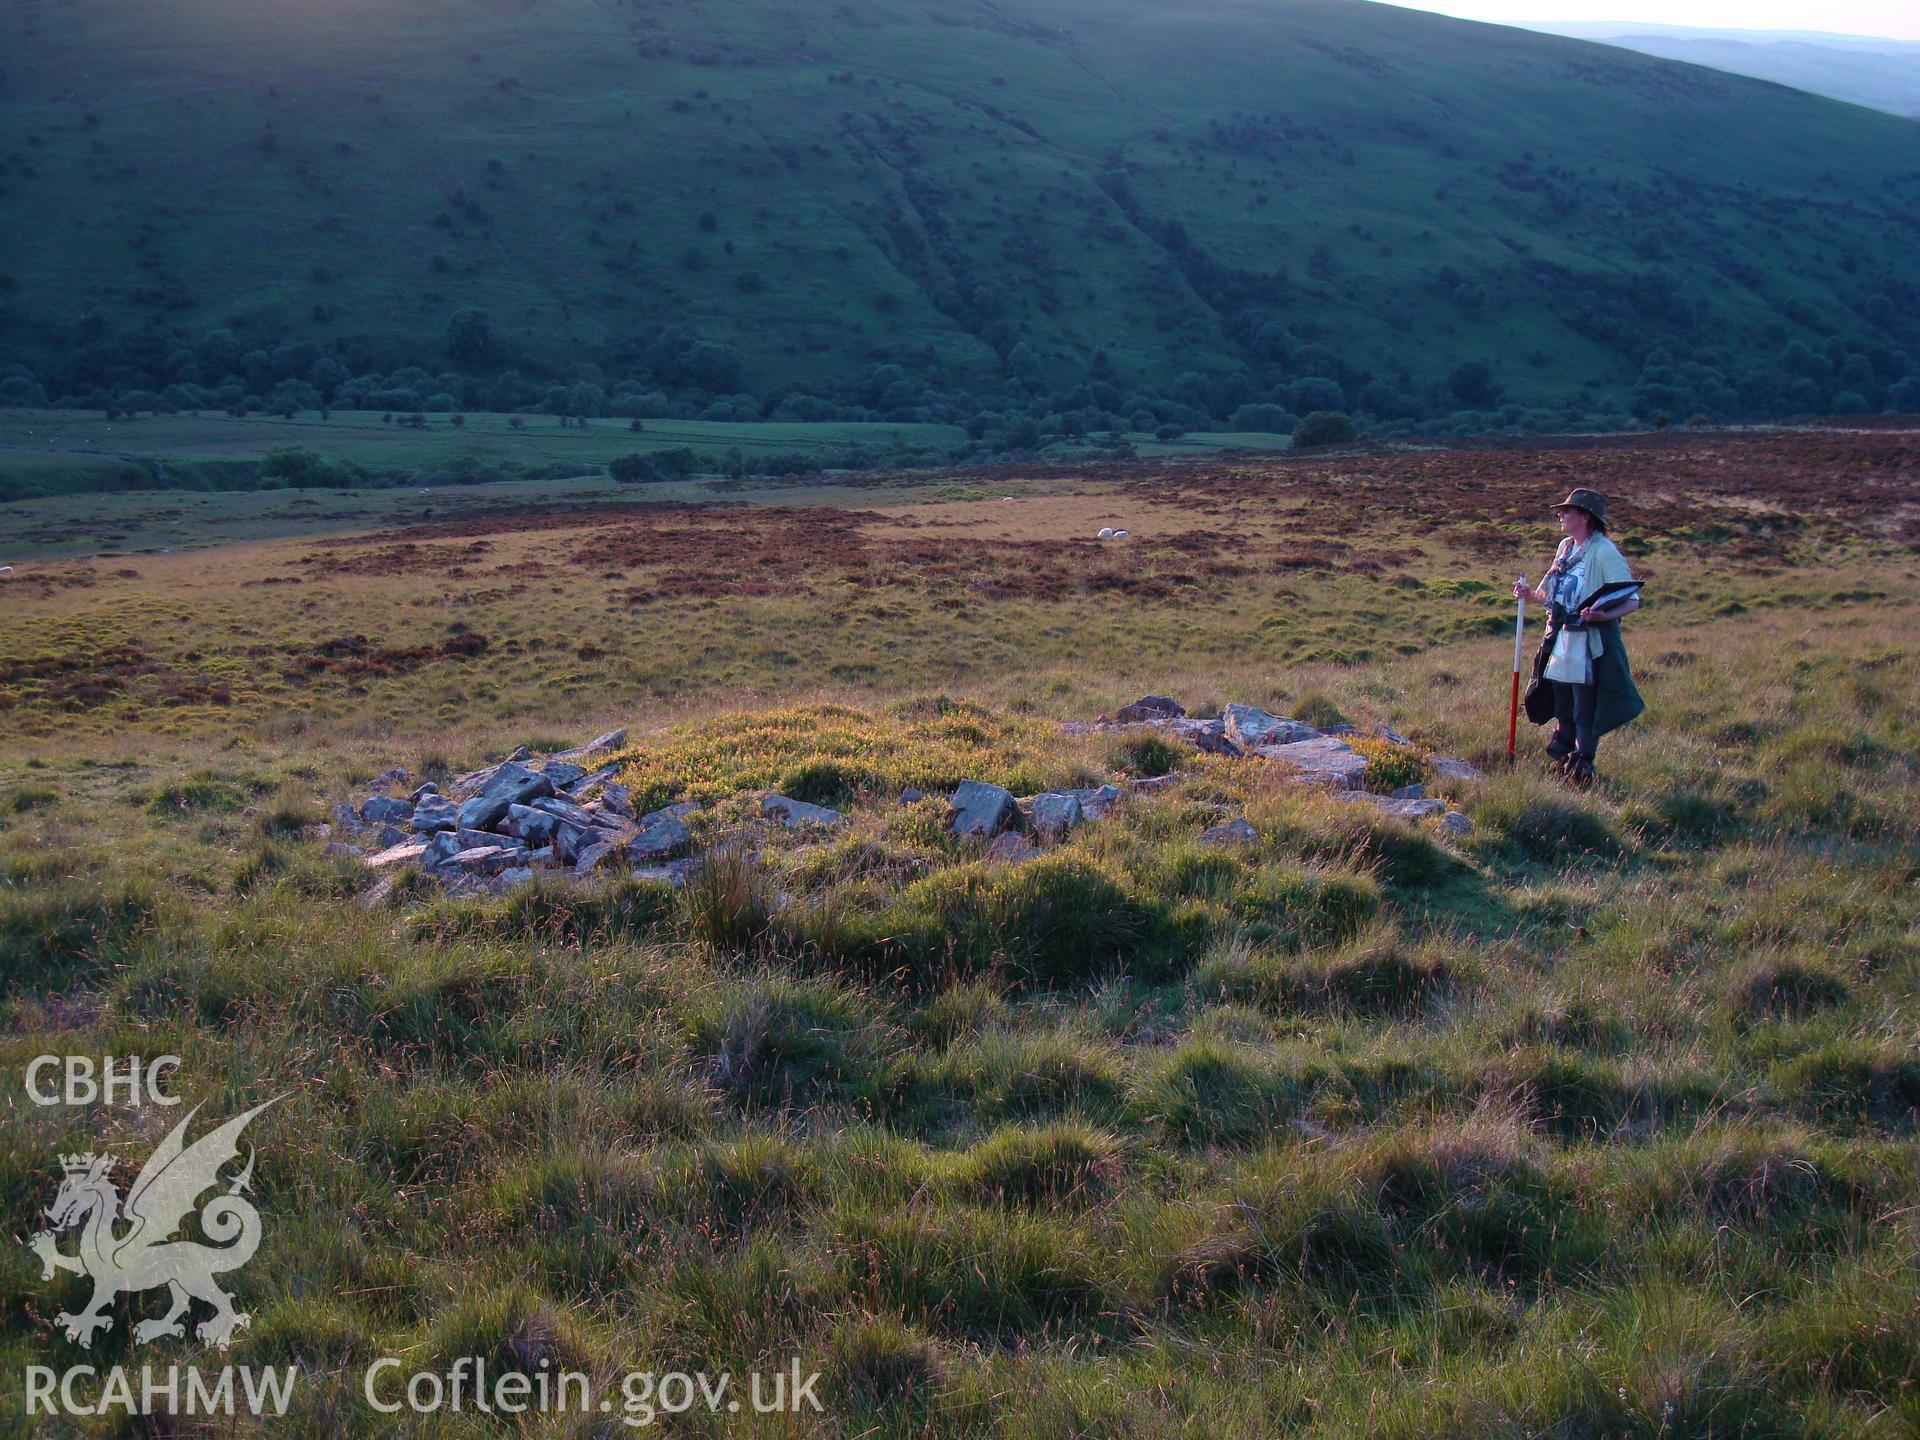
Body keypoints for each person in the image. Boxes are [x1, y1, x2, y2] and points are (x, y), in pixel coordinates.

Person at [1513, 488, 1644, 787]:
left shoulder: (1604, 552)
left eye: (1567, 511)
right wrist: (1530, 594)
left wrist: (1602, 616)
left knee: (1583, 707)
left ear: (1585, 518)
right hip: (1560, 637)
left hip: (1587, 643)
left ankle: (1583, 769)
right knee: (1561, 705)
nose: (1560, 515)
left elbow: (1632, 600)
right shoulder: (1565, 548)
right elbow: (1553, 596)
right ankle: (1563, 763)